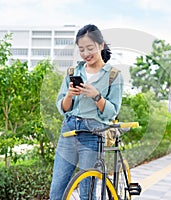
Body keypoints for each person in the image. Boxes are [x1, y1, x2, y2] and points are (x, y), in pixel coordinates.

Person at [49, 24, 124, 200]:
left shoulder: (113, 75)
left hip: (93, 133)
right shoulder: (73, 72)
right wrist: (69, 95)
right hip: (69, 130)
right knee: (57, 188)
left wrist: (97, 96)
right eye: (81, 49)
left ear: (101, 45)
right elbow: (62, 107)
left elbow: (112, 112)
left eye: (90, 48)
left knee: (87, 192)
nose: (85, 53)